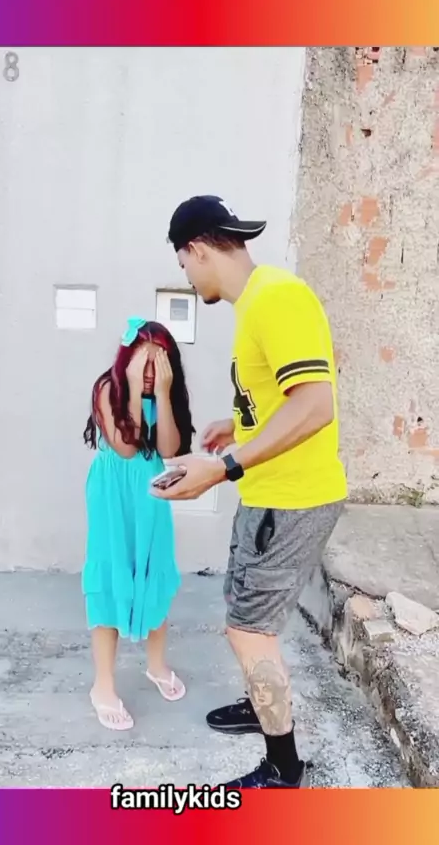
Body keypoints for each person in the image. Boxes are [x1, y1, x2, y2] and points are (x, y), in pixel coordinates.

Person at [152, 196, 347, 788]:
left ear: (197, 249)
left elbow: (315, 405)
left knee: (249, 629)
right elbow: (281, 400)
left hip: (292, 501)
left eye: (184, 266)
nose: (189, 279)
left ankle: (284, 768)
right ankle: (261, 704)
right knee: (243, 610)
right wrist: (236, 425)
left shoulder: (277, 298)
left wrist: (224, 466)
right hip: (266, 494)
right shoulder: (256, 303)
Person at [82, 317, 194, 731]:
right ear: (126, 360)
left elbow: (169, 448)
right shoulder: (107, 389)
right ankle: (103, 685)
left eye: (158, 365)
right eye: (143, 364)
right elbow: (127, 448)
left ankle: (156, 665)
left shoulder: (165, 394)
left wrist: (162, 394)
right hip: (112, 493)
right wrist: (131, 387)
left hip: (149, 493)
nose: (149, 374)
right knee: (110, 576)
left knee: (155, 570)